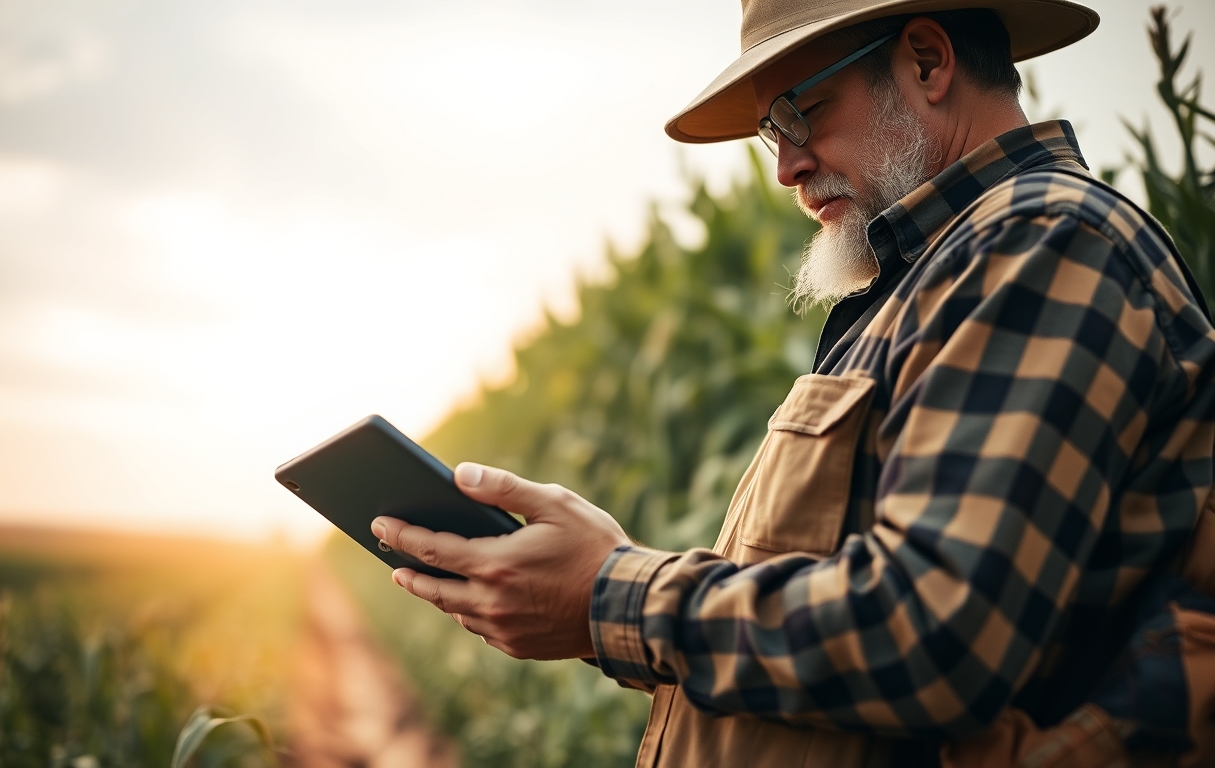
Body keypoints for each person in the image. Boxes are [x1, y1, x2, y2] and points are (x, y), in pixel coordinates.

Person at [370, 0, 1215, 765]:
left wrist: (610, 593)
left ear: (926, 61)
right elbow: (832, 640)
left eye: (799, 112)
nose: (786, 167)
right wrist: (598, 585)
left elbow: (936, 636)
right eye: (772, 133)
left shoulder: (1043, 244)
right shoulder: (927, 285)